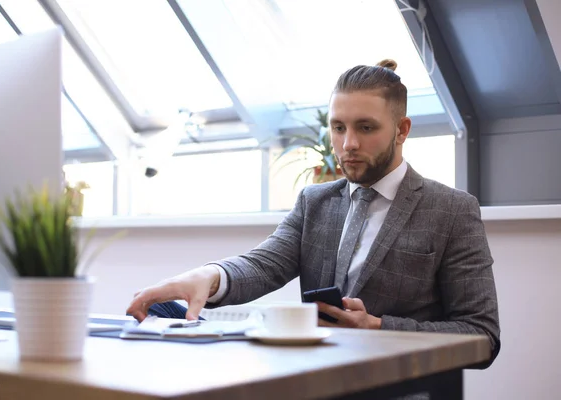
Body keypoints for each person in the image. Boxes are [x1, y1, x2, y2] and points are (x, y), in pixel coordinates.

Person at [127, 59, 500, 364]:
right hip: (317, 379)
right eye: (338, 128)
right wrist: (209, 276)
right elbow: (263, 264)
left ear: (402, 130)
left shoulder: (452, 211)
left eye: (365, 127)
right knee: (169, 322)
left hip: (398, 388)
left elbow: (482, 336)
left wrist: (377, 327)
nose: (348, 144)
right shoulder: (315, 201)